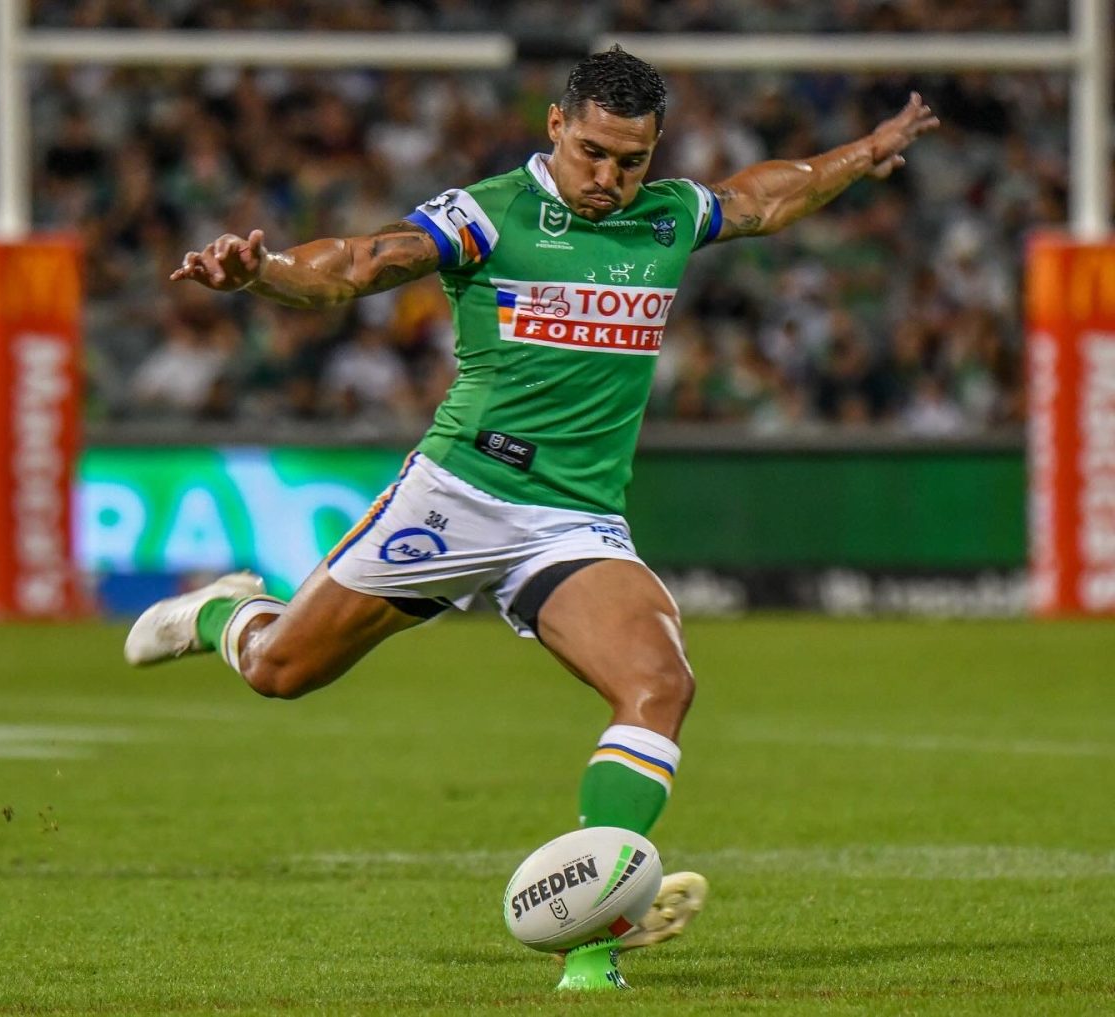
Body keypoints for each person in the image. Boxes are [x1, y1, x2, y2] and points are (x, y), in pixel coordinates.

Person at [125, 47, 938, 963]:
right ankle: (224, 610)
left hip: (572, 521)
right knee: (281, 670)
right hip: (459, 494)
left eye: (632, 160)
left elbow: (765, 198)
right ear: (556, 125)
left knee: (659, 682)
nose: (610, 178)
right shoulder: (486, 215)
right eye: (593, 152)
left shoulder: (669, 216)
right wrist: (264, 272)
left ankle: (594, 942)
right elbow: (354, 263)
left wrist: (865, 149)